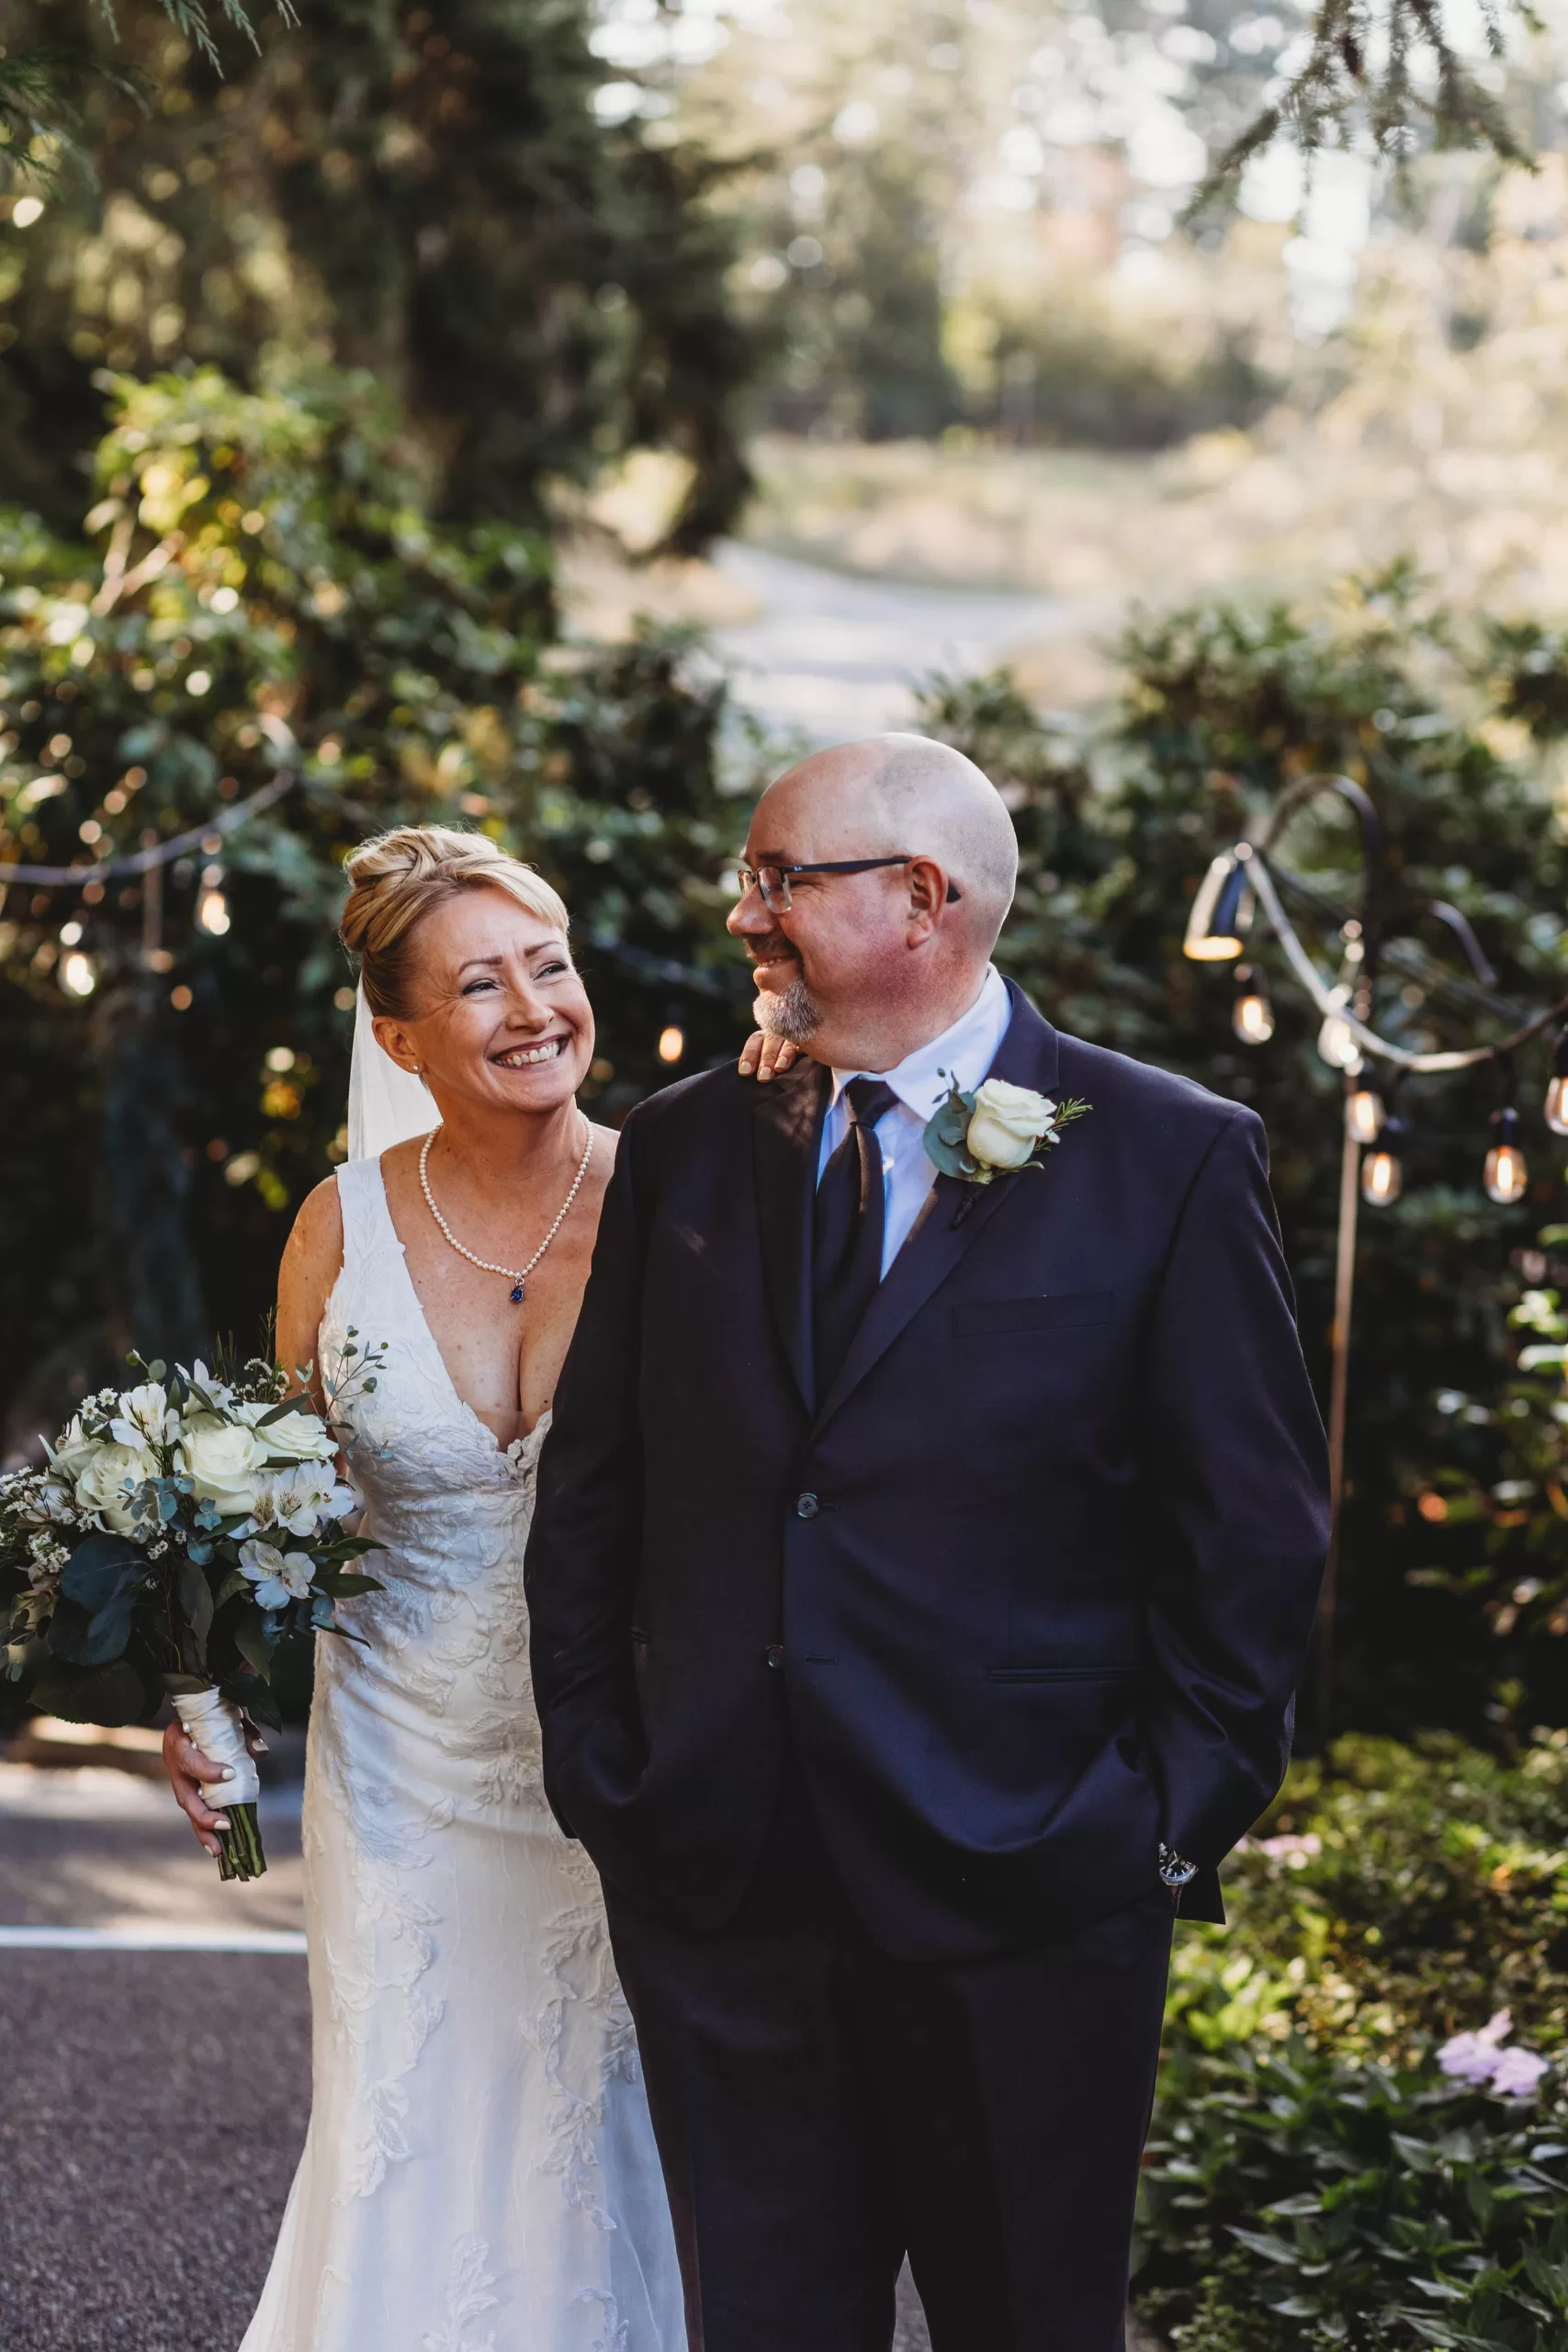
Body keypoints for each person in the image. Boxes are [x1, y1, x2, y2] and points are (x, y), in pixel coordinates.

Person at [525, 734, 1332, 2352]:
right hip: (723, 1881)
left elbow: (1250, 1536)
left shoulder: (1167, 1155)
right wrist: (609, 1771)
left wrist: (1150, 1832)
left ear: (920, 898)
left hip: (1030, 1898)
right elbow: (597, 1488)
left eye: (777, 878)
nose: (743, 914)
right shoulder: (683, 1142)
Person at [160, 827, 795, 2351]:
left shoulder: (688, 1199)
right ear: (398, 1035)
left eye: (550, 965)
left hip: (624, 1753)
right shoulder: (339, 1226)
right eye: (478, 984)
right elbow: (265, 1508)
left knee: (600, 2130)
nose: (533, 1007)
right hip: (396, 1753)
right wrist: (192, 1690)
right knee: (409, 2111)